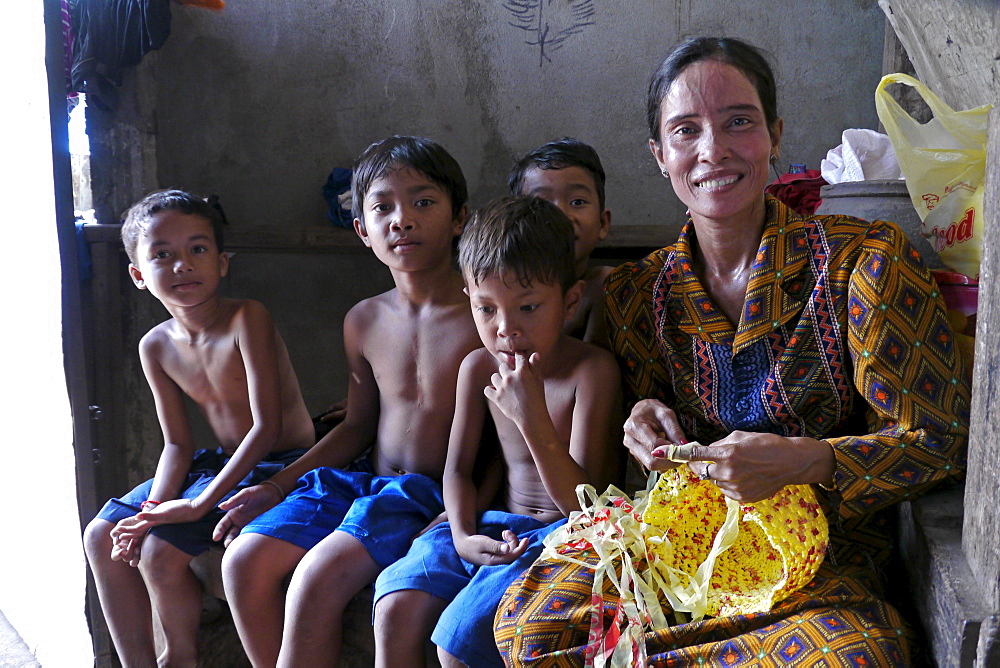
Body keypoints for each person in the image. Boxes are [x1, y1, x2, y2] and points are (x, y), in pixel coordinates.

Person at [496, 37, 971, 666]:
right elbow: (617, 459)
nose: (712, 151)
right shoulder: (637, 295)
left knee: (858, 656)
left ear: (774, 135)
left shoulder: (866, 263)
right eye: (685, 131)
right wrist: (639, 419)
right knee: (530, 630)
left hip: (818, 565)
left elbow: (939, 442)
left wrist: (807, 461)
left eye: (738, 122)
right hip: (674, 549)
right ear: (660, 156)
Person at [217, 135, 483, 667]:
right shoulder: (363, 319)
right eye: (382, 206)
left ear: (459, 218)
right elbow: (357, 426)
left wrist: (465, 514)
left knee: (314, 579)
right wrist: (274, 485)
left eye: (423, 202)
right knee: (243, 560)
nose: (401, 220)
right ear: (362, 230)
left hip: (426, 495)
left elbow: (502, 438)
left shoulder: (486, 315)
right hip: (362, 482)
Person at [372, 195, 623, 668]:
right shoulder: (476, 368)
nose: (505, 329)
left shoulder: (590, 373)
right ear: (469, 299)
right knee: (394, 606)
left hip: (563, 538)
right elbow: (458, 471)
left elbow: (586, 508)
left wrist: (530, 417)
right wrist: (464, 534)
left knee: (458, 640)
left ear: (569, 302)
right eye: (486, 310)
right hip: (491, 526)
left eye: (528, 307)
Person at [82, 189, 316, 667]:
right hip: (220, 462)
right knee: (101, 536)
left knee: (160, 554)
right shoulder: (156, 346)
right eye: (162, 254)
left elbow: (268, 427)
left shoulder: (246, 318)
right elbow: (176, 443)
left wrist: (198, 504)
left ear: (222, 262)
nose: (183, 264)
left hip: (279, 462)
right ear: (138, 275)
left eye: (198, 249)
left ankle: (181, 656)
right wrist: (150, 508)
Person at [508, 137, 613, 346]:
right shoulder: (501, 287)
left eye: (577, 202)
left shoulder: (606, 287)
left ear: (602, 224)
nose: (562, 216)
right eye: (541, 204)